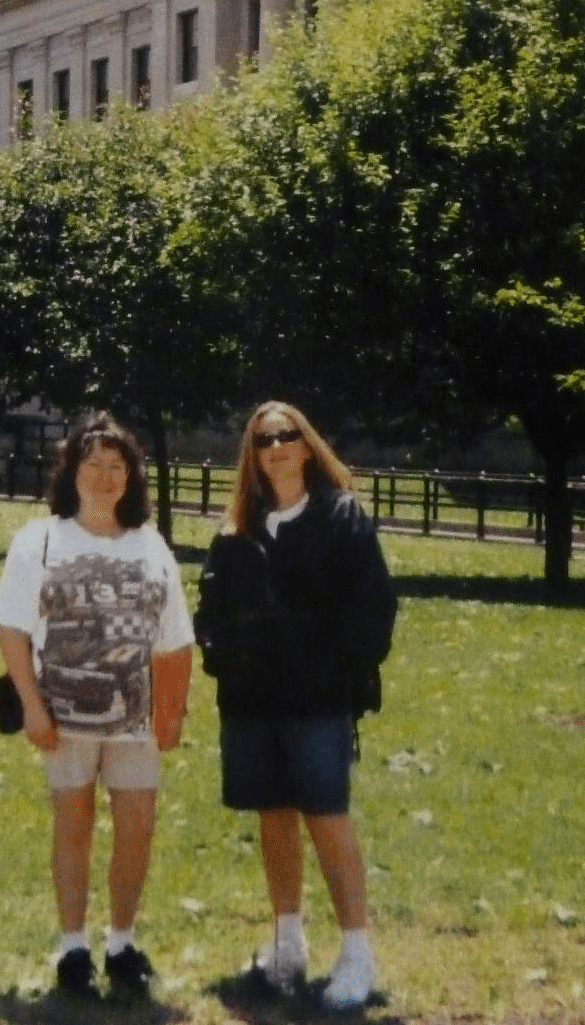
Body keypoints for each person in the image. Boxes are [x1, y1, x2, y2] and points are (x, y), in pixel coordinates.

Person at [194, 401, 397, 1010]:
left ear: (308, 445)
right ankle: (287, 946)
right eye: (263, 440)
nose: (277, 447)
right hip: (252, 701)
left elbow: (373, 611)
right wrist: (223, 655)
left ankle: (357, 954)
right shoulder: (239, 527)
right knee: (273, 817)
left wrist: (337, 672)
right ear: (251, 454)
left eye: (287, 436)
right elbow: (212, 610)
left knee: (326, 817)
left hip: (318, 700)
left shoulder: (343, 518)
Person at [0, 412, 193, 996]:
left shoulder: (149, 544)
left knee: (136, 829)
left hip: (136, 722)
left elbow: (175, 637)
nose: (104, 476)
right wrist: (32, 706)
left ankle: (122, 943)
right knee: (72, 828)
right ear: (71, 471)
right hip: (64, 718)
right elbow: (11, 629)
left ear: (131, 478)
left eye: (116, 466)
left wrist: (171, 714)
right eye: (93, 464)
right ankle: (72, 948)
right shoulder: (40, 539)